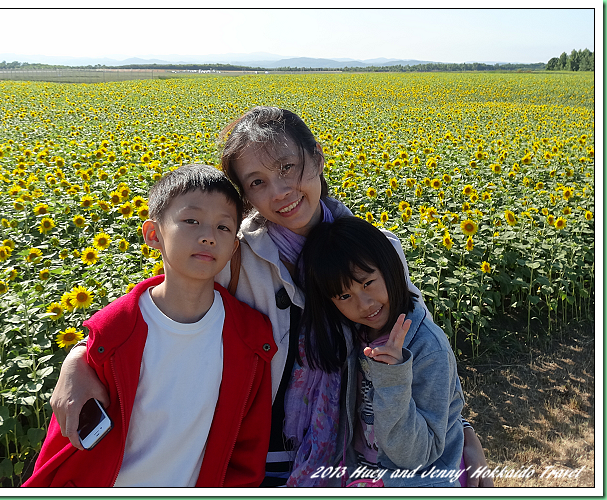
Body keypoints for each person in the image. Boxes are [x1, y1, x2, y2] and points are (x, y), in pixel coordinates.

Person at [47, 107, 493, 487]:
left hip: (360, 450)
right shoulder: (236, 251)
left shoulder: (376, 248)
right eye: (257, 182)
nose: (279, 192)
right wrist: (81, 357)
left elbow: (414, 338)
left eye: (286, 168)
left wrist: (460, 426)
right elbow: (168, 302)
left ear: (316, 158)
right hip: (263, 450)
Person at [22, 164, 276, 487]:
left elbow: (246, 454)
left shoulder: (250, 340)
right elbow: (61, 450)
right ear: (153, 235)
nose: (208, 236)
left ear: (233, 247)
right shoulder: (114, 336)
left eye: (224, 227)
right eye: (191, 221)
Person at [295, 216, 466, 487]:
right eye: (344, 296)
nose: (364, 304)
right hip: (360, 477)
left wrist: (392, 377)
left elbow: (416, 456)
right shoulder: (353, 336)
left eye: (367, 283)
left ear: (389, 267)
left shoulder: (428, 348)